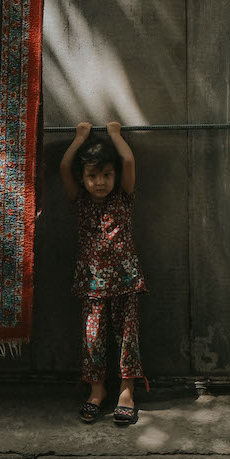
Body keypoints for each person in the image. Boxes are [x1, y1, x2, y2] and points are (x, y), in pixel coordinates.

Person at [60, 121, 147, 425]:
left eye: (106, 175)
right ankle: (96, 390)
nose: (100, 182)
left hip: (125, 279)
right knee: (93, 336)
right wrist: (79, 138)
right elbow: (64, 166)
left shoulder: (123, 197)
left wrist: (114, 134)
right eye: (92, 176)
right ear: (83, 179)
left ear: (115, 176)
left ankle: (126, 391)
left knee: (127, 335)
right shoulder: (79, 201)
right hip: (91, 282)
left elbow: (129, 160)